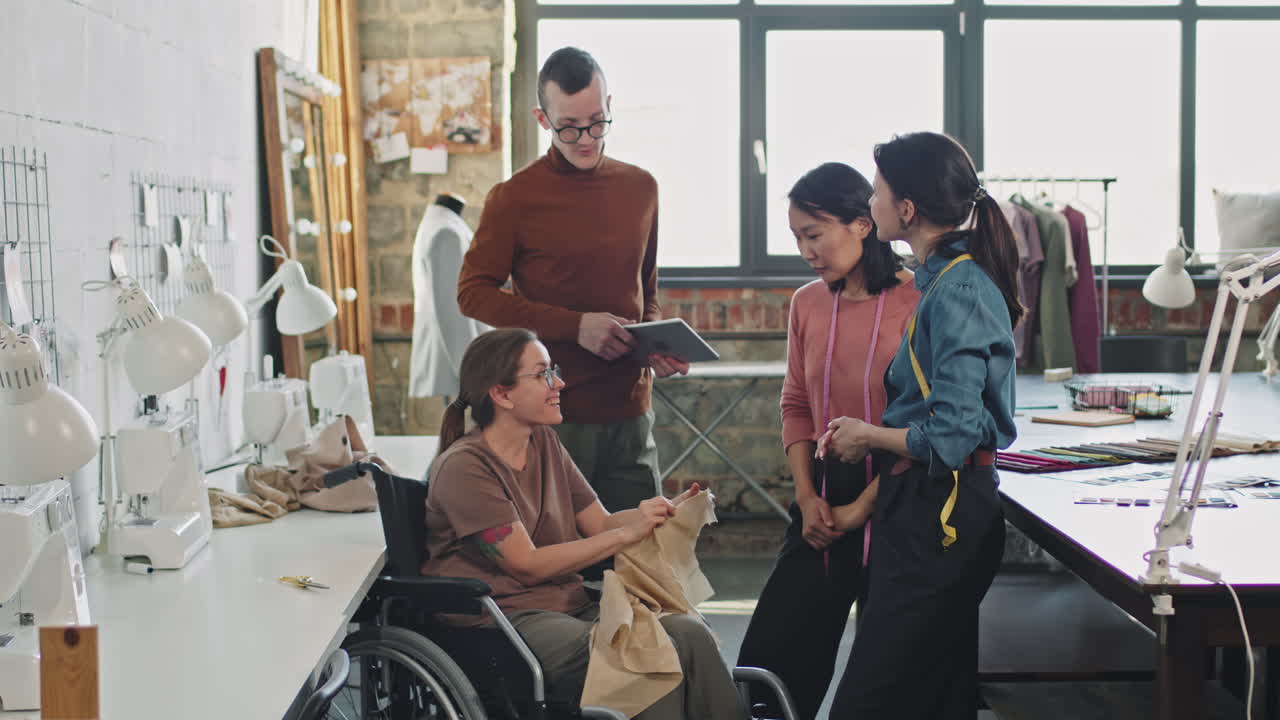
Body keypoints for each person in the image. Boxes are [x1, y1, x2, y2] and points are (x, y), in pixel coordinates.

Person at [421, 328, 746, 720]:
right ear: (502, 394)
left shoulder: (544, 443)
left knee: (689, 632)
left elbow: (602, 523)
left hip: (567, 606)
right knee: (645, 654)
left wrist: (658, 512)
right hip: (503, 620)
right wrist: (628, 532)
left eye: (553, 371)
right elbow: (527, 563)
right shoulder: (466, 467)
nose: (559, 382)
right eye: (543, 374)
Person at [821, 132, 1021, 719]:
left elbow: (953, 434)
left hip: (943, 509)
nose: (870, 205)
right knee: (933, 694)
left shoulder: (956, 288)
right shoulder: (941, 281)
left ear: (906, 210)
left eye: (877, 193)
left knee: (870, 700)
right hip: (930, 505)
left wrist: (867, 435)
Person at [457, 47, 688, 517]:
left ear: (609, 108)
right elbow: (472, 293)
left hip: (630, 408)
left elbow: (646, 286)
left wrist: (654, 340)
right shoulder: (514, 198)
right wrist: (575, 326)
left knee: (641, 560)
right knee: (563, 566)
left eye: (597, 122)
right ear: (542, 118)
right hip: (550, 411)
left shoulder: (642, 187)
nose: (585, 139)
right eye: (568, 127)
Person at [735, 164, 919, 720]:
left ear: (863, 224)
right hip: (822, 494)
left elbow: (928, 422)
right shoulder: (807, 303)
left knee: (886, 676)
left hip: (900, 490)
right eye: (796, 238)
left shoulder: (921, 302)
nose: (805, 250)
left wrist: (863, 509)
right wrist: (808, 498)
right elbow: (796, 404)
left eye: (814, 234)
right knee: (771, 658)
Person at [409, 192, 490, 400]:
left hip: (448, 348)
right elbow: (452, 308)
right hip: (452, 353)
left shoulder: (436, 223)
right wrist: (470, 369)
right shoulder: (447, 233)